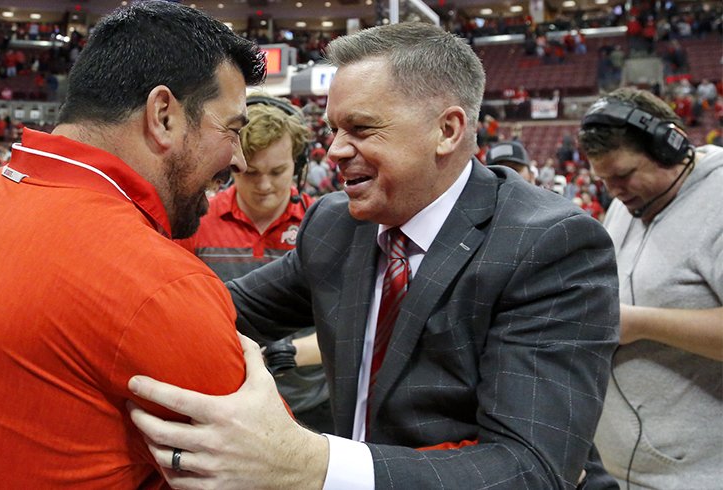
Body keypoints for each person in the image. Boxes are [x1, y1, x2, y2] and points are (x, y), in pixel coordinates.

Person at [128, 22, 620, 489]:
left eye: (361, 128)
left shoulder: (552, 246)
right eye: (334, 129)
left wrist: (311, 465)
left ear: (447, 131)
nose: (334, 152)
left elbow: (529, 470)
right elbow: (223, 310)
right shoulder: (336, 224)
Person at [0, 2, 265, 488]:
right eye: (233, 129)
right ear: (164, 116)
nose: (238, 157)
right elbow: (275, 468)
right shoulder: (157, 282)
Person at [578, 87, 723, 489]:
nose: (614, 190)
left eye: (623, 175)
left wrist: (639, 323)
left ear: (671, 144)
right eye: (604, 180)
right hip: (624, 469)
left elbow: (629, 318)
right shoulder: (628, 205)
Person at [178, 96, 332, 433]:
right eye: (252, 173)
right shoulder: (196, 222)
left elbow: (350, 326)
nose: (264, 186)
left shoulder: (325, 226)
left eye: (277, 172)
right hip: (226, 405)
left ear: (298, 165)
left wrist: (286, 352)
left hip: (311, 406)